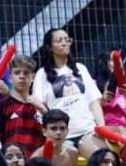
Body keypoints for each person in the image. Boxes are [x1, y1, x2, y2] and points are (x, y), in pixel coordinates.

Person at [33, 28, 105, 158]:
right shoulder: (42, 74)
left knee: (103, 159)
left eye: (67, 40)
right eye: (59, 40)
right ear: (49, 47)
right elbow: (39, 108)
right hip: (61, 135)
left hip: (87, 130)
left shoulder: (81, 68)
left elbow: (94, 101)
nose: (64, 43)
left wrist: (101, 127)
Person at [0, 54, 46, 157]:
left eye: (26, 73)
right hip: (12, 163)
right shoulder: (1, 106)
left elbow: (53, 133)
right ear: (10, 78)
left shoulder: (41, 107)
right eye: (17, 72)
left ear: (33, 77)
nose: (22, 76)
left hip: (37, 163)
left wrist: (44, 110)